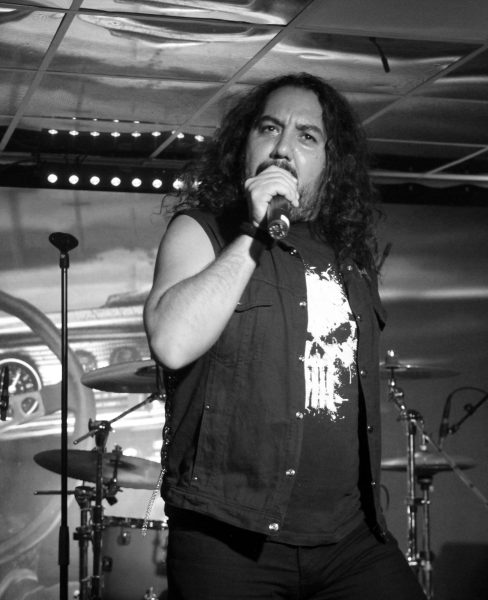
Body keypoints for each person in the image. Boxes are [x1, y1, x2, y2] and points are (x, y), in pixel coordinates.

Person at [143, 72, 426, 600]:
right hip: (230, 538)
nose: (282, 148)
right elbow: (172, 343)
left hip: (349, 538)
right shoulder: (203, 231)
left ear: (330, 162)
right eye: (269, 128)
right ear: (245, 145)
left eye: (307, 136)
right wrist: (253, 232)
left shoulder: (349, 257)